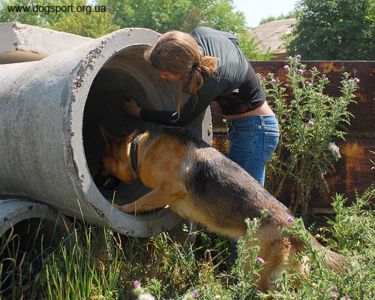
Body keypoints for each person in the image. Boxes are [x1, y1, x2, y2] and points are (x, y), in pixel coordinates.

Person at [122, 26, 279, 187]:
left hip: (254, 132)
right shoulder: (201, 33)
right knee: (246, 197)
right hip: (253, 129)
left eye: (165, 73)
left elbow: (180, 119)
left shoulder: (211, 80)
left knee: (244, 197)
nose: (162, 76)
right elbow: (232, 39)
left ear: (180, 69)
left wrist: (138, 112)